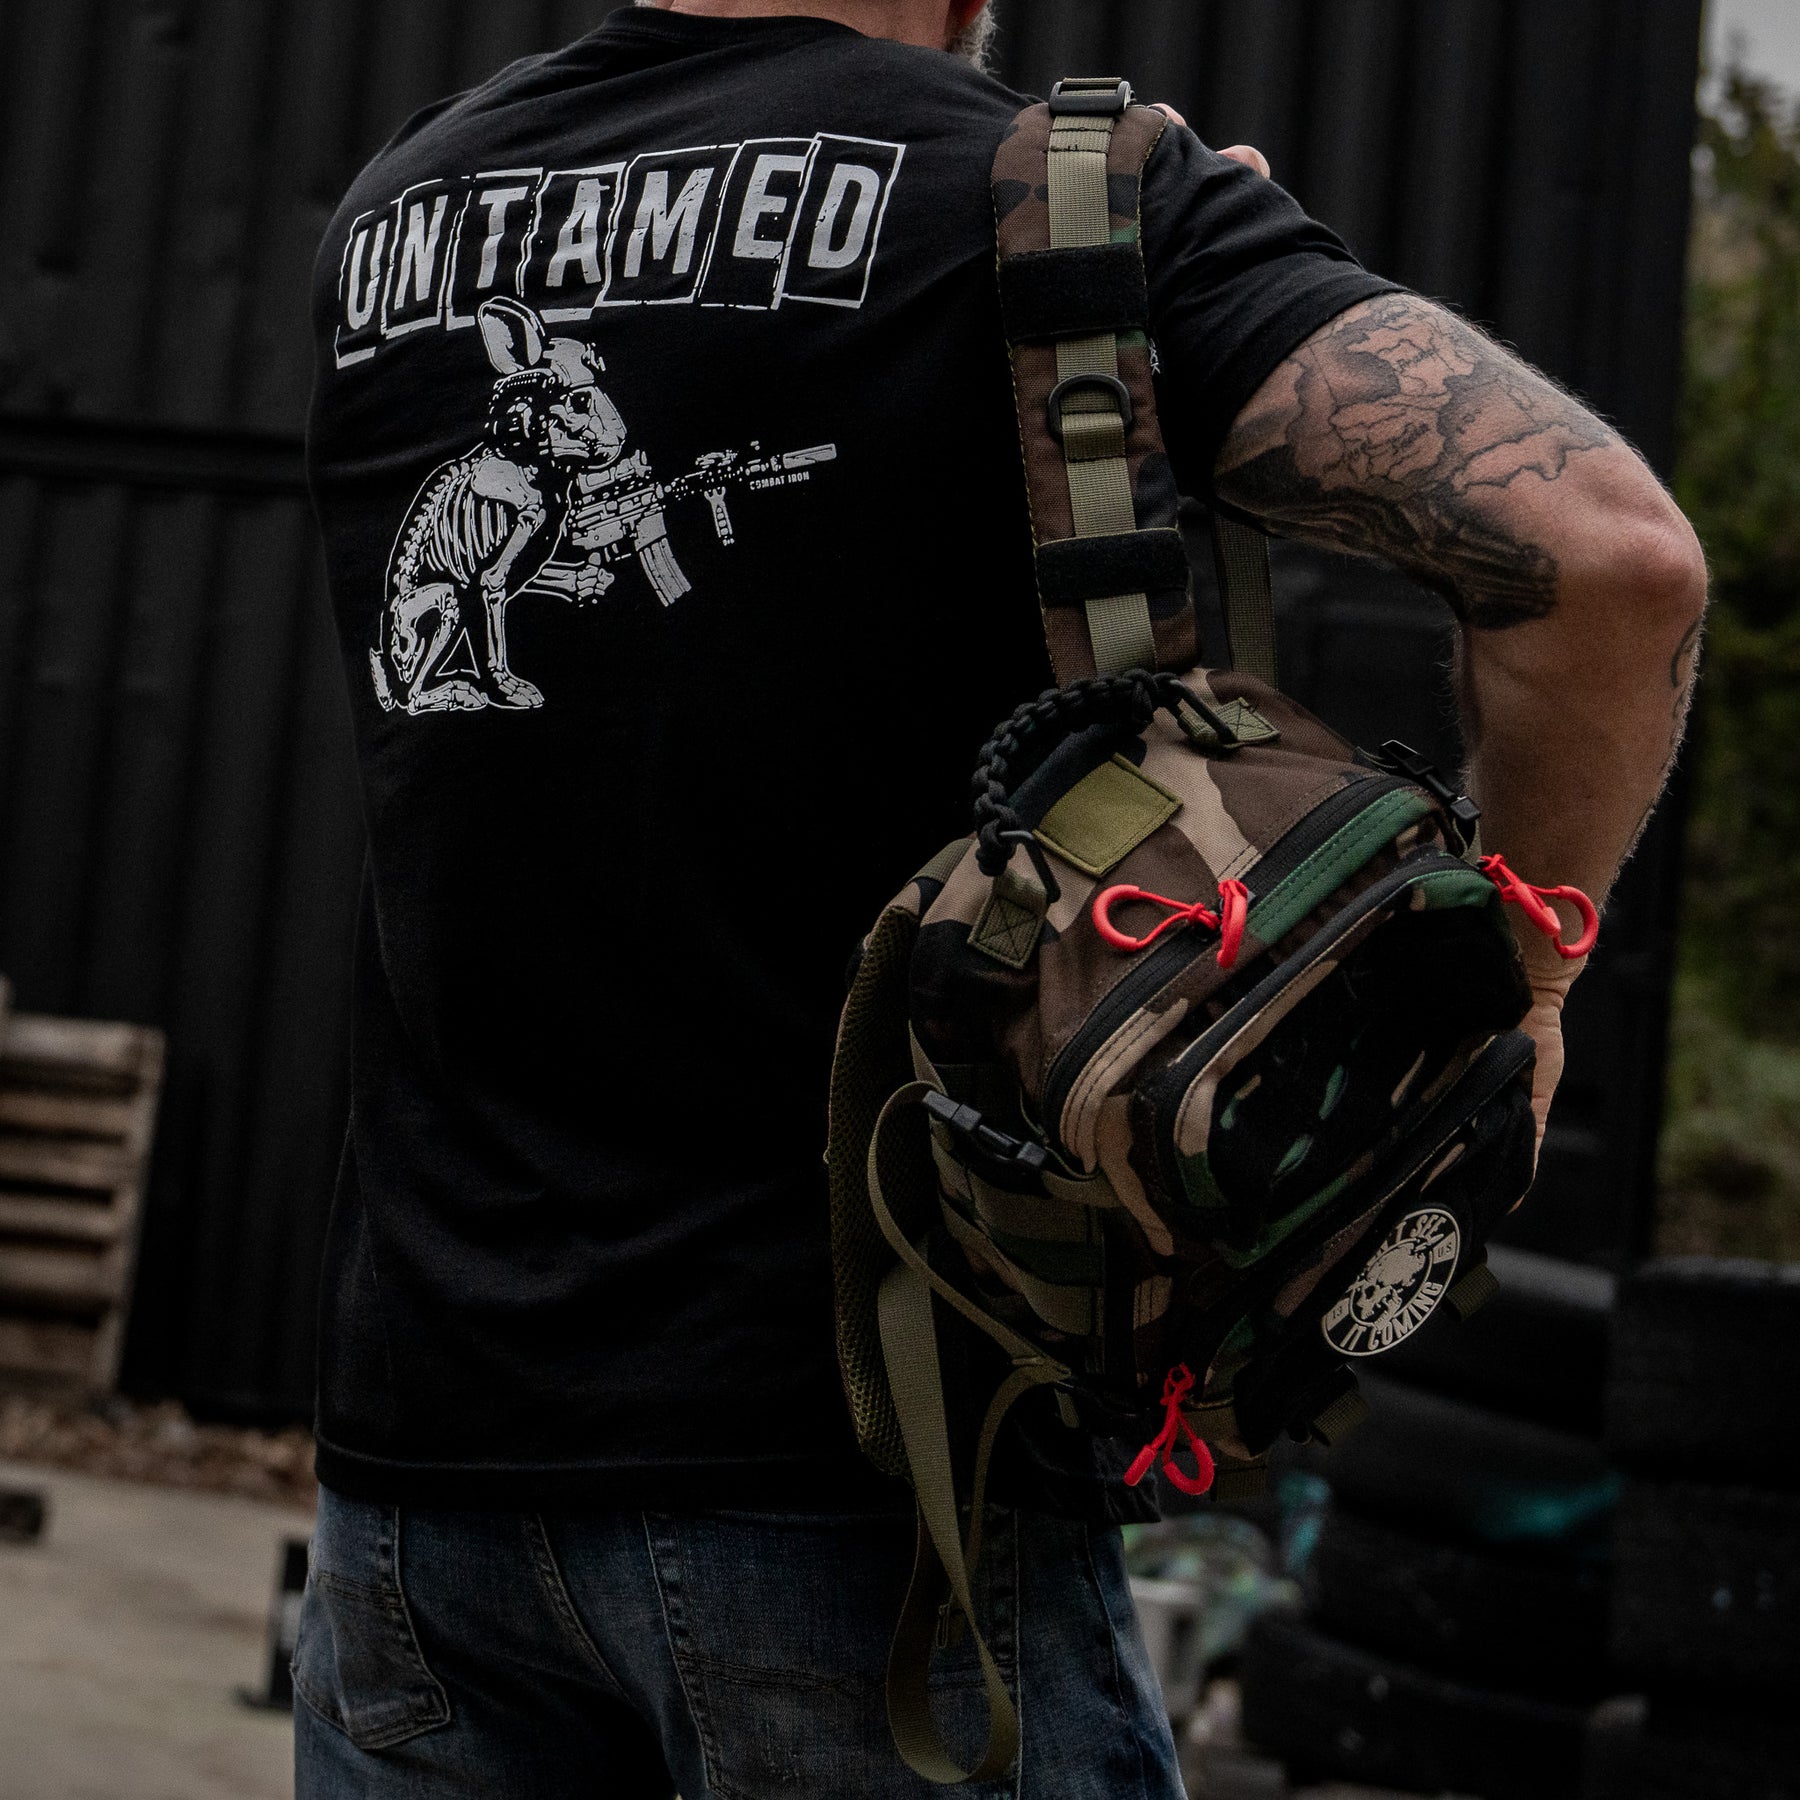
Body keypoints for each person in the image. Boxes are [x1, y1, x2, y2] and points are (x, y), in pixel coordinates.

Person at [296, 2, 1707, 1795]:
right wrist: (1526, 977)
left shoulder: (404, 210)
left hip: (414, 1486)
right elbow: (1612, 561)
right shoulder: (1058, 202)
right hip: (873, 1498)